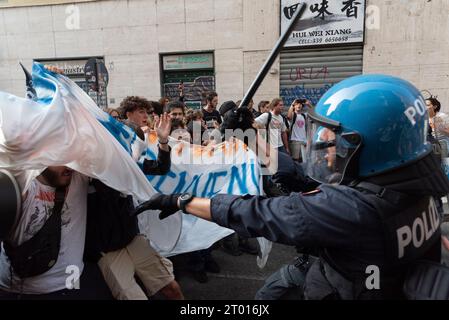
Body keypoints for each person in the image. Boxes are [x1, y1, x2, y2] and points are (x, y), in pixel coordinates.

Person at [134, 74, 449, 299]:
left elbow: (257, 212)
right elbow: (302, 174)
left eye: (334, 138)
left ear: (371, 144)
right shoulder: (419, 181)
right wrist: (251, 137)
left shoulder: (352, 209)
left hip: (339, 283)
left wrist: (181, 201)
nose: (324, 142)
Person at [85, 107, 184, 300]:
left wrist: (163, 140)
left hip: (132, 238)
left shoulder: (130, 164)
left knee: (172, 289)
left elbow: (161, 167)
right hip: (106, 249)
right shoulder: (87, 169)